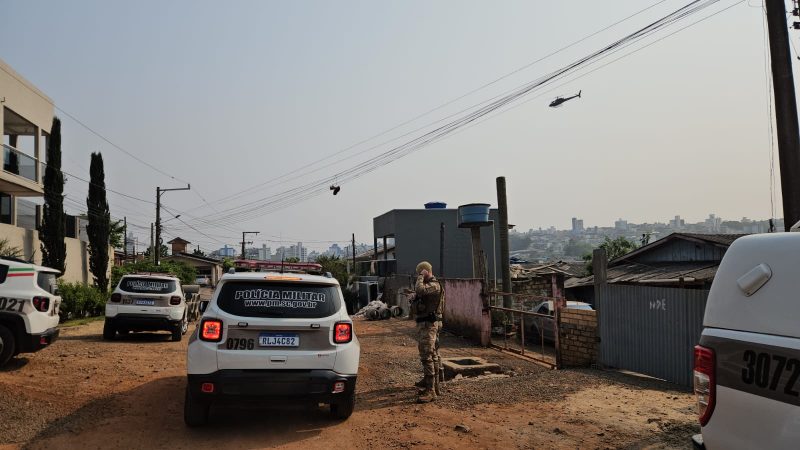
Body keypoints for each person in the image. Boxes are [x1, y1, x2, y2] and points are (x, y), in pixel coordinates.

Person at [413, 261, 444, 403]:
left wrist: (420, 276)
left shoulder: (434, 285)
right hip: (426, 324)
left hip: (429, 325)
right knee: (432, 354)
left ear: (425, 271)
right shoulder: (430, 285)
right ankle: (433, 385)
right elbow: (420, 294)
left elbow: (420, 290)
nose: (419, 276)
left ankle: (431, 390)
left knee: (427, 356)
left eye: (420, 272)